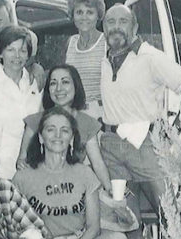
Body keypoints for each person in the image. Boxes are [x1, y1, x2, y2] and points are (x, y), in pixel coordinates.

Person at [99, 2, 181, 239]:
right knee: (126, 221)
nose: (116, 27)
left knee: (170, 216)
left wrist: (174, 129)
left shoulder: (150, 57)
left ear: (134, 27)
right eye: (110, 22)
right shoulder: (105, 59)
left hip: (146, 146)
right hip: (112, 148)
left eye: (122, 21)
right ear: (104, 29)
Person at [13, 107, 147, 239]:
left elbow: (93, 226)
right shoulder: (23, 178)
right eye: (51, 129)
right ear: (40, 136)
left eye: (65, 131)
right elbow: (16, 231)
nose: (58, 136)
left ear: (73, 138)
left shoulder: (84, 173)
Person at [16, 64, 112, 193]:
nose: (59, 89)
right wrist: (22, 163)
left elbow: (98, 164)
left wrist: (110, 191)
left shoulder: (87, 123)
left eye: (65, 82)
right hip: (39, 191)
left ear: (76, 86)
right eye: (53, 83)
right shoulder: (34, 122)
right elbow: (21, 161)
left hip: (74, 190)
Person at [0, 25, 42, 179]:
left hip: (31, 167)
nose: (17, 56)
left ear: (28, 55)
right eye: (11, 50)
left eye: (23, 50)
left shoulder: (35, 84)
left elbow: (39, 124)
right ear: (0, 53)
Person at [63, 0, 107, 118]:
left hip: (99, 115)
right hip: (74, 113)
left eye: (90, 12)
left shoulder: (106, 42)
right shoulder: (70, 43)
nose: (84, 17)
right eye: (79, 12)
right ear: (73, 15)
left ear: (98, 15)